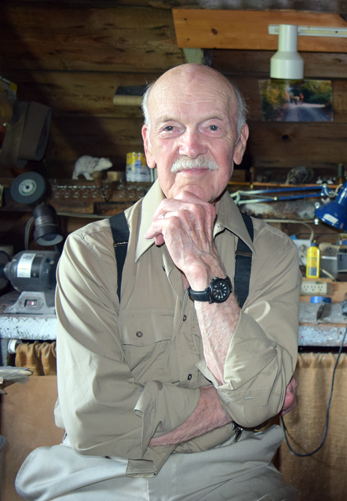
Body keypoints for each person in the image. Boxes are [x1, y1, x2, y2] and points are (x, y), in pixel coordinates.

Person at [16, 64, 301, 500]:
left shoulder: (274, 254)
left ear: (238, 143)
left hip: (231, 475)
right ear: (148, 144)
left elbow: (262, 401)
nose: (191, 146)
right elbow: (93, 422)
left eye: (212, 126)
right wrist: (233, 402)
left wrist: (205, 267)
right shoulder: (89, 251)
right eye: (171, 128)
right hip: (95, 475)